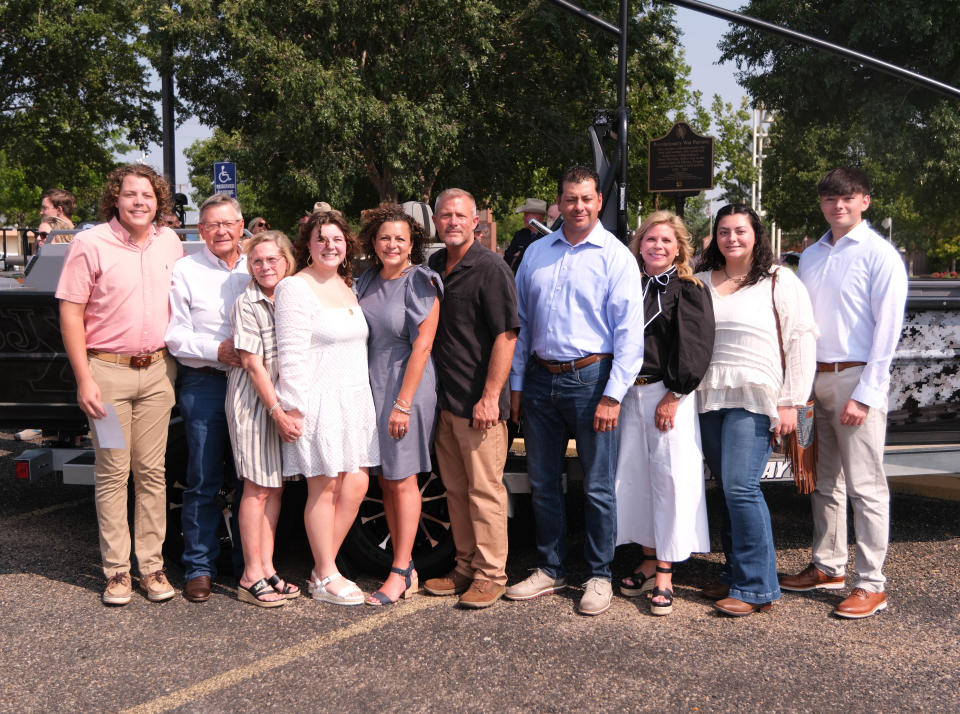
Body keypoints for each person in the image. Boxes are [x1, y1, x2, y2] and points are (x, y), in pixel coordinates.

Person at [507, 166, 644, 616]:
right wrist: (518, 385)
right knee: (544, 482)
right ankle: (550, 568)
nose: (578, 206)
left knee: (598, 487)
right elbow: (522, 325)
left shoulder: (616, 256)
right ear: (560, 202)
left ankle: (599, 574)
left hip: (592, 380)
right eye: (570, 199)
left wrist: (613, 395)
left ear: (598, 201)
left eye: (586, 199)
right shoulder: (537, 253)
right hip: (541, 377)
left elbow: (629, 337)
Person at [780, 168, 908, 619]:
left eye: (848, 197)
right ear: (822, 204)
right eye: (831, 198)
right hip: (814, 380)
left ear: (865, 201)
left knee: (867, 486)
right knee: (824, 481)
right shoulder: (811, 255)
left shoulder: (880, 255)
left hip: (856, 379)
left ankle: (872, 583)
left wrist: (867, 394)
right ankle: (828, 565)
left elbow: (887, 333)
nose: (839, 205)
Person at [55, 164, 183, 605]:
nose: (139, 202)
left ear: (158, 201)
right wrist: (84, 379)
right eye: (130, 194)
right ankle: (117, 572)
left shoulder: (170, 242)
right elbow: (71, 312)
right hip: (106, 374)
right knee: (113, 472)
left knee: (153, 472)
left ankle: (152, 567)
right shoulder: (90, 243)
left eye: (147, 195)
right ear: (116, 198)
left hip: (157, 373)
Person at [696, 204, 817, 617]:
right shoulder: (699, 282)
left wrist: (791, 402)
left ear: (756, 235)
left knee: (741, 487)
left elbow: (801, 340)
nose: (732, 238)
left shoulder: (779, 279)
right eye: (724, 231)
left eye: (740, 231)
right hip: (709, 397)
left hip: (756, 397)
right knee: (727, 492)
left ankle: (757, 587)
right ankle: (736, 573)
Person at [274, 210, 378, 606]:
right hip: (317, 399)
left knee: (357, 483)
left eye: (336, 239)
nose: (329, 246)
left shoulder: (346, 285)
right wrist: (294, 409)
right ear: (308, 246)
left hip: (354, 399)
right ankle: (327, 574)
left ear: (346, 244)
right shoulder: (295, 289)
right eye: (321, 239)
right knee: (326, 485)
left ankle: (323, 568)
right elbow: (292, 355)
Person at [613, 211, 715, 616]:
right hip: (628, 393)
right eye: (650, 240)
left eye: (665, 241)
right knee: (636, 478)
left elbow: (696, 348)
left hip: (667, 392)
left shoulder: (689, 289)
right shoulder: (628, 286)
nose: (657, 246)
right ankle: (648, 555)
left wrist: (673, 395)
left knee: (671, 478)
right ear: (639, 245)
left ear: (679, 248)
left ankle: (666, 572)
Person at [423, 188, 519, 609]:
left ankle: (491, 574)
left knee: (485, 493)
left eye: (461, 215)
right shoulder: (434, 266)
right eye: (446, 215)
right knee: (456, 492)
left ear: (475, 221)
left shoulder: (491, 268)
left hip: (480, 407)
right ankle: (465, 566)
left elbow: (506, 335)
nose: (453, 222)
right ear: (436, 221)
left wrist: (490, 397)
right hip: (446, 403)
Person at [166, 193, 251, 603]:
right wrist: (216, 350)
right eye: (212, 225)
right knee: (202, 476)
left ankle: (248, 566)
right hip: (206, 380)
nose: (221, 231)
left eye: (228, 223)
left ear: (241, 226)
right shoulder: (186, 270)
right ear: (201, 231)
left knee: (250, 478)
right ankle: (199, 566)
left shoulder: (260, 263)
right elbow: (175, 334)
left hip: (252, 382)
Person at [356, 205, 442, 605]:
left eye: (400, 239)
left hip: (405, 385)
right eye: (385, 237)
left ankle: (402, 570)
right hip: (371, 384)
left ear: (413, 245)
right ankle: (403, 565)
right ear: (373, 242)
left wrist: (402, 404)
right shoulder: (367, 279)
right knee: (386, 479)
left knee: (403, 478)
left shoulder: (420, 281)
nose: (392, 244)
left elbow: (422, 345)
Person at [226, 230, 303, 607]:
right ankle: (250, 574)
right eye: (257, 261)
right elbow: (253, 365)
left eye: (272, 259)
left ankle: (268, 567)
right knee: (256, 489)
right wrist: (276, 412)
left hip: (282, 404)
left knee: (275, 488)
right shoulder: (246, 302)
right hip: (256, 405)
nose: (265, 266)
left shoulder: (293, 297)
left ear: (286, 260)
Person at [503, 197, 547, 274]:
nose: (523, 218)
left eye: (526, 215)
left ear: (537, 217)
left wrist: (519, 254)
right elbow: (507, 258)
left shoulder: (549, 235)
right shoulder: (520, 235)